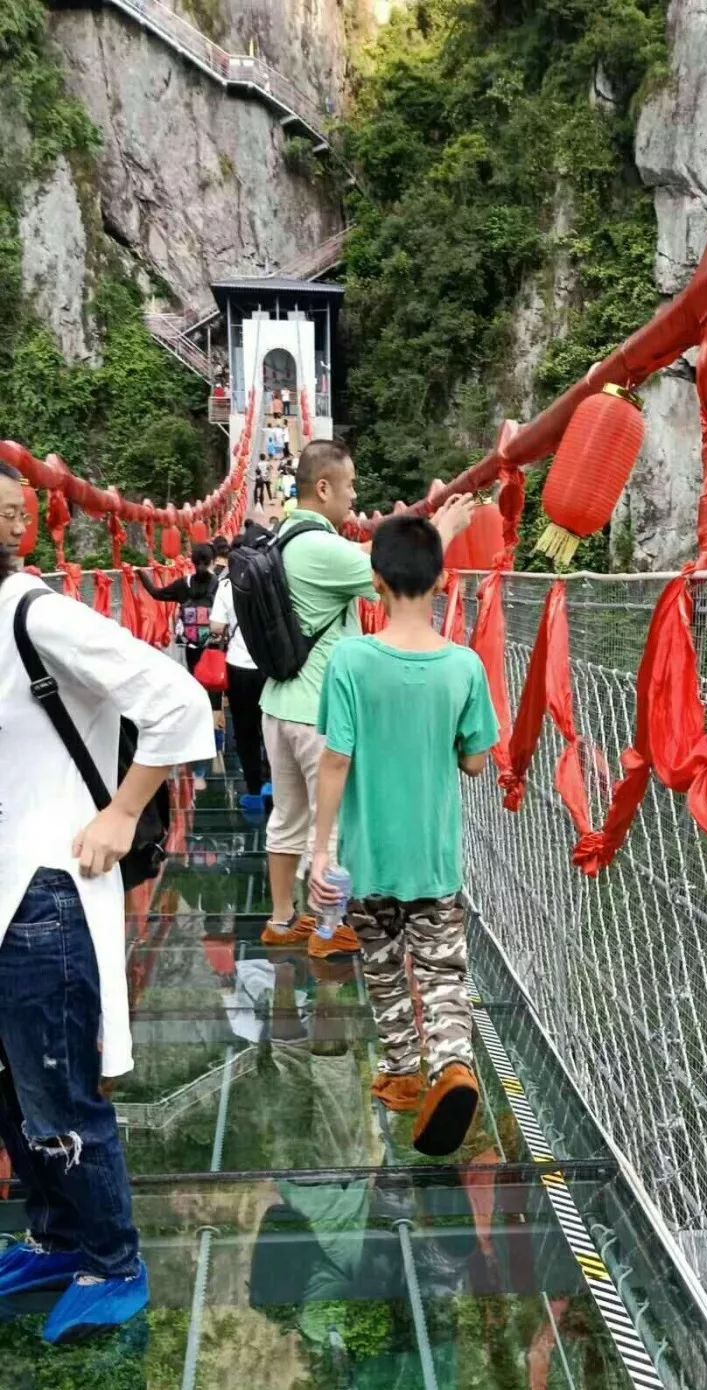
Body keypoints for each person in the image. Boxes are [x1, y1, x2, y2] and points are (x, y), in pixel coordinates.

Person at [0, 460, 215, 1341]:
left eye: (14, 509)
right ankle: (57, 1239)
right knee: (12, 1096)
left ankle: (113, 1261)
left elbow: (175, 699)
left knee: (56, 1098)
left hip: (44, 896)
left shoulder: (35, 614)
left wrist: (122, 814)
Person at [311, 514, 498, 1157]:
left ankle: (399, 1075)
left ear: (375, 581)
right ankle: (453, 1064)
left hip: (368, 858)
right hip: (434, 858)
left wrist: (320, 849)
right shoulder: (465, 666)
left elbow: (335, 759)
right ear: (443, 581)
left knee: (385, 967)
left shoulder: (351, 660)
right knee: (443, 971)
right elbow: (476, 760)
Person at [259, 439, 475, 960]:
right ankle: (331, 928)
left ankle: (281, 918)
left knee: (287, 816)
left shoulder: (285, 536)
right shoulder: (320, 547)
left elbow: (372, 557)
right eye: (351, 486)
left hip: (278, 701)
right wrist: (443, 531)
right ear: (325, 487)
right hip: (315, 710)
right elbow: (398, 573)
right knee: (329, 820)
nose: (354, 498)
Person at [137, 543, 220, 791]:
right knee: (215, 686)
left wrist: (141, 574)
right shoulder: (221, 584)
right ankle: (214, 740)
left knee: (197, 680)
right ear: (213, 560)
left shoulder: (183, 585)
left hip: (192, 645)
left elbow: (156, 593)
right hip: (215, 645)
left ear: (192, 561)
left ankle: (199, 733)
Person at [210, 539, 268, 816]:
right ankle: (277, 786)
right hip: (270, 665)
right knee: (272, 726)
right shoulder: (273, 580)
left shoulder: (226, 586)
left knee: (245, 730)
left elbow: (216, 627)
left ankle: (254, 792)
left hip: (239, 666)